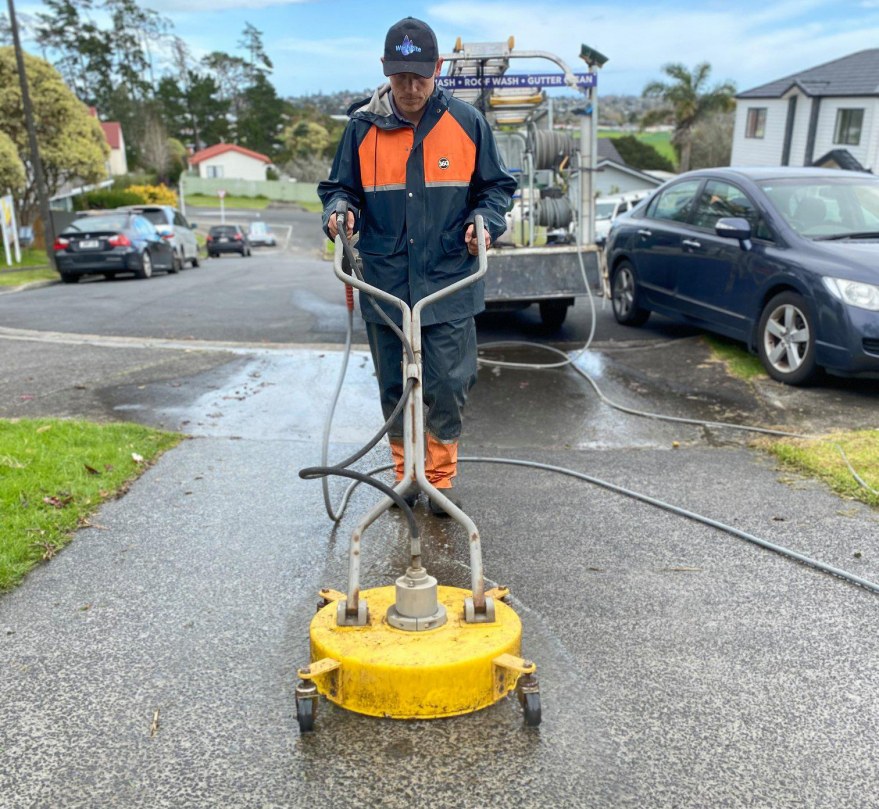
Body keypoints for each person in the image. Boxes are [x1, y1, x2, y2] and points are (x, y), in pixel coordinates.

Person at [319, 16, 516, 516]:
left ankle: (440, 479)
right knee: (395, 387)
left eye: (419, 77)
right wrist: (339, 211)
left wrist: (485, 220)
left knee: (448, 383)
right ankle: (406, 476)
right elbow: (340, 188)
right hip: (384, 284)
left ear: (438, 69)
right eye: (399, 76)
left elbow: (496, 189)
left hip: (449, 279)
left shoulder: (467, 123)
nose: (409, 88)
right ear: (385, 70)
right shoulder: (362, 127)